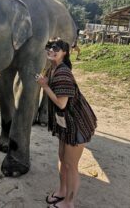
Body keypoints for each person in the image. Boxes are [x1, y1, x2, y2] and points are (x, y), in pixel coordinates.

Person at [36, 38, 97, 208]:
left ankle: (69, 203)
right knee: (62, 159)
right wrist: (45, 82)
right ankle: (62, 192)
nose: (51, 49)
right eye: (48, 46)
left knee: (71, 165)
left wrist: (44, 86)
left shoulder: (62, 73)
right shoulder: (52, 69)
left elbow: (62, 103)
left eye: (56, 47)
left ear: (64, 52)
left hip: (77, 124)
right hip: (66, 124)